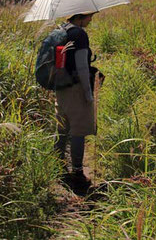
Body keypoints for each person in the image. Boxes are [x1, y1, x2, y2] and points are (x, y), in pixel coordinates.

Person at [54, 12, 101, 188]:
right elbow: (82, 66)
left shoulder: (60, 30)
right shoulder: (79, 34)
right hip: (76, 88)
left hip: (60, 86)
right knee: (78, 131)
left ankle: (57, 167)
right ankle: (78, 172)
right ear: (80, 16)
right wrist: (89, 94)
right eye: (89, 16)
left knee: (61, 127)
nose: (91, 19)